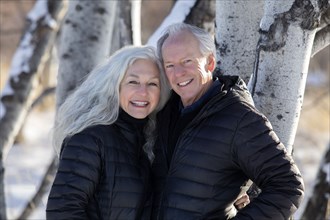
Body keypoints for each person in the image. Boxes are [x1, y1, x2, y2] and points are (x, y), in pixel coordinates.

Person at [151, 23, 305, 219]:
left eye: (187, 61)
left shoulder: (239, 118)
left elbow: (288, 185)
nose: (178, 73)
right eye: (170, 65)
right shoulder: (164, 111)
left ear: (210, 63)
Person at [46, 45, 171, 219]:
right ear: (114, 85)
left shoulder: (149, 140)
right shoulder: (90, 138)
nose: (143, 92)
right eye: (133, 82)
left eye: (152, 84)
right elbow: (62, 210)